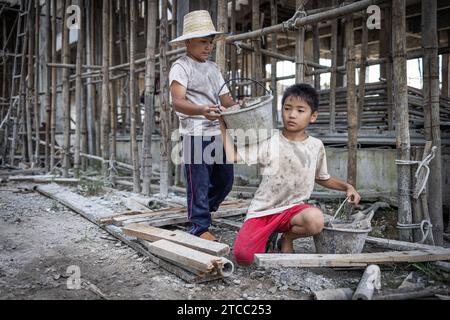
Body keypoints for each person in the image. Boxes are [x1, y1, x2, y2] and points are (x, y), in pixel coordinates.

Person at [218, 83, 362, 265]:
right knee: (243, 257)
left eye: (300, 110)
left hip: (293, 210)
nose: (292, 115)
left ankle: (287, 238)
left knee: (316, 220)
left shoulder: (316, 146)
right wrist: (222, 124)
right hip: (263, 211)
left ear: (313, 116)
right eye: (287, 109)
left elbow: (321, 177)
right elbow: (233, 156)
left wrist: (347, 187)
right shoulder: (270, 141)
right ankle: (268, 236)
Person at [169, 10, 237, 241]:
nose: (208, 47)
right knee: (198, 182)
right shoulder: (181, 66)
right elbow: (178, 102)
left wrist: (240, 107)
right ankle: (199, 225)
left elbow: (226, 101)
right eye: (202, 42)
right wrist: (201, 110)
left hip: (218, 133)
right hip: (195, 134)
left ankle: (201, 210)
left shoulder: (213, 69)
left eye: (210, 42)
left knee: (225, 180)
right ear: (188, 42)